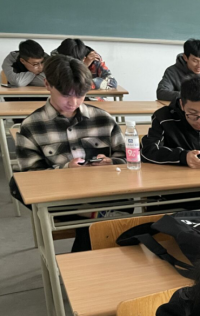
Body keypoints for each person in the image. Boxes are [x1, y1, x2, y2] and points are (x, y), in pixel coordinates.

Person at [15, 55, 125, 253]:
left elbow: (127, 159)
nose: (73, 102)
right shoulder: (32, 126)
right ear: (48, 85)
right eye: (66, 95)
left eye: (80, 94)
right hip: (63, 201)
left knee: (109, 215)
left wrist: (111, 162)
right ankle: (92, 217)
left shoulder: (103, 119)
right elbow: (30, 179)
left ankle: (93, 218)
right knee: (15, 184)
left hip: (103, 194)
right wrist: (65, 170)